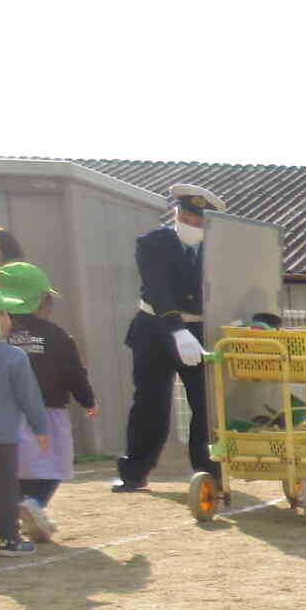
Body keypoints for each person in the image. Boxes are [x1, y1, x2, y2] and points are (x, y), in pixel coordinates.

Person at [116, 183, 224, 492]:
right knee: (150, 402)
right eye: (187, 219)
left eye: (199, 222)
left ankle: (208, 474)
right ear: (176, 212)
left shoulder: (218, 248)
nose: (192, 226)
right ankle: (134, 472)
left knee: (206, 406)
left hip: (201, 329)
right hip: (155, 328)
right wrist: (176, 329)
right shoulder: (152, 243)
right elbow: (157, 288)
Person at [0, 267, 97, 541]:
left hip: (2, 415)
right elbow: (74, 372)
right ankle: (34, 504)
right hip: (48, 412)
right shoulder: (57, 335)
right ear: (42, 300)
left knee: (9, 468)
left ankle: (6, 511)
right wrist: (87, 400)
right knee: (53, 465)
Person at [0, 282, 50, 555]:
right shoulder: (13, 357)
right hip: (1, 437)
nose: (8, 318)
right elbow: (30, 398)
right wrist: (40, 429)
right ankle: (9, 539)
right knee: (3, 487)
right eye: (3, 313)